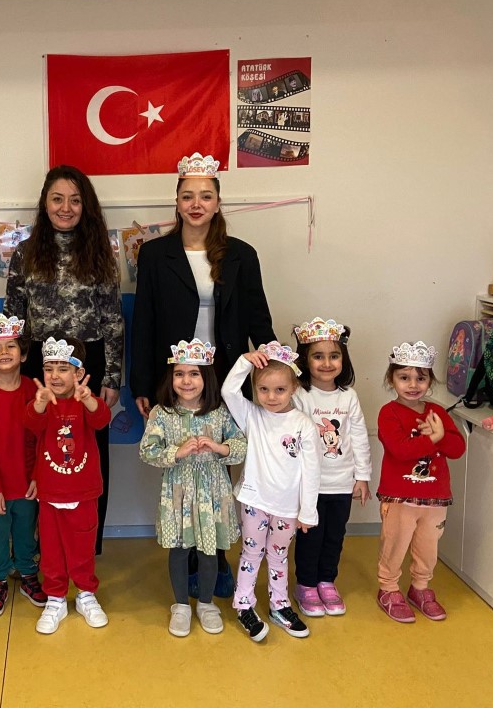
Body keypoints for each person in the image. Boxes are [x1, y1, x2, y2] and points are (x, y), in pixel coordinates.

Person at [130, 151, 275, 595]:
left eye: (206, 196)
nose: (196, 204)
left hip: (223, 377)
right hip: (176, 377)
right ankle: (188, 555)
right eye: (188, 196)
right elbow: (144, 321)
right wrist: (141, 383)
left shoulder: (241, 254)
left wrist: (273, 371)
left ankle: (216, 555)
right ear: (176, 202)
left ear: (217, 203)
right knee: (181, 461)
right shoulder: (155, 254)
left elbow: (258, 317)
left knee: (218, 461)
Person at [4, 165, 122, 554]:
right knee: (40, 447)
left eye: (74, 200)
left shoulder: (101, 251)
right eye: (57, 199)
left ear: (85, 206)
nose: (65, 208)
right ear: (45, 203)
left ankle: (86, 544)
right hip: (40, 363)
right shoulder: (25, 252)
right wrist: (11, 369)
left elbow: (113, 319)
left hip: (89, 363)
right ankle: (41, 544)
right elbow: (13, 314)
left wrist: (112, 377)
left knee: (89, 450)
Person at [138, 339, 246, 637]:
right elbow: (147, 451)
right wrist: (177, 452)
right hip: (178, 492)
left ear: (206, 377)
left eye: (194, 374)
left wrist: (220, 448)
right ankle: (181, 605)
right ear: (171, 378)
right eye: (179, 374)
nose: (186, 381)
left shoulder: (219, 412)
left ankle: (207, 604)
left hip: (213, 492)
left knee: (209, 550)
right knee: (180, 549)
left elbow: (241, 445)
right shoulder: (162, 413)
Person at [222, 342, 319, 642]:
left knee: (278, 557)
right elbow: (228, 392)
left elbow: (312, 471)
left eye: (279, 390)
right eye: (263, 389)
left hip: (288, 508)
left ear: (293, 388)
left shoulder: (304, 424)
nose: (271, 397)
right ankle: (243, 605)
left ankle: (279, 605)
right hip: (254, 500)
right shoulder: (252, 416)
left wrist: (307, 511)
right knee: (251, 554)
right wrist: (245, 360)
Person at [24, 336, 112, 634]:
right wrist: (38, 404)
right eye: (49, 368)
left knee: (82, 548)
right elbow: (30, 424)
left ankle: (86, 594)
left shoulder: (86, 401)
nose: (55, 376)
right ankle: (55, 598)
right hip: (50, 493)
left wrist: (88, 398)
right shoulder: (42, 402)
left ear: (78, 373)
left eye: (63, 369)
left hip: (84, 492)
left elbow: (101, 420)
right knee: (51, 551)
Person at [376, 341, 466, 624]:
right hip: (399, 496)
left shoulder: (437, 412)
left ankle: (420, 587)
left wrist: (441, 437)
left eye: (421, 378)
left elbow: (457, 449)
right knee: (395, 543)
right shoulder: (389, 413)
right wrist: (432, 439)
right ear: (392, 380)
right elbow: (400, 450)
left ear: (430, 381)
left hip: (435, 497)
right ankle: (388, 588)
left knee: (428, 547)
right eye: (404, 377)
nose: (413, 384)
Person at [291, 318, 371, 618]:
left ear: (343, 359)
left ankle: (326, 581)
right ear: (305, 359)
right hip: (310, 485)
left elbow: (359, 437)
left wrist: (362, 476)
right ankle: (306, 585)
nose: (327, 363)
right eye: (318, 356)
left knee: (334, 537)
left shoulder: (349, 397)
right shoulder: (299, 395)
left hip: (342, 483)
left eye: (334, 356)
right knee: (310, 538)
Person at [0, 314, 46, 618]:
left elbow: (43, 439)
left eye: (11, 346)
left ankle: (28, 573)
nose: (4, 352)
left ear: (24, 354)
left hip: (28, 483)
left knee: (27, 532)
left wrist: (38, 476)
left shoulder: (34, 390)